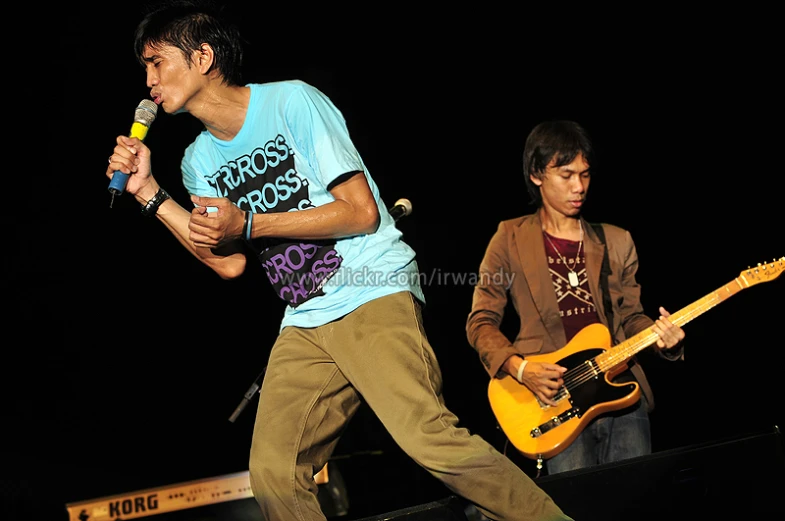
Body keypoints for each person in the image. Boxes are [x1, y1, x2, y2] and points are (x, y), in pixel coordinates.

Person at [105, 2, 573, 520]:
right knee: (273, 475)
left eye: (156, 61)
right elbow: (228, 263)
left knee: (428, 441)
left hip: (371, 285)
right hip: (305, 319)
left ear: (203, 57)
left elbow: (359, 211)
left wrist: (253, 223)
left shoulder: (292, 103)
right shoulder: (197, 161)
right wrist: (150, 193)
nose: (147, 79)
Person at [466, 120, 685, 477]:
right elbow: (480, 323)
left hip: (621, 387)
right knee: (576, 507)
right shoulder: (509, 237)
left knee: (635, 500)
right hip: (553, 397)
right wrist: (522, 369)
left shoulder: (616, 240)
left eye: (584, 175)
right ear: (537, 174)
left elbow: (631, 317)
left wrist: (664, 341)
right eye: (566, 175)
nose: (579, 186)